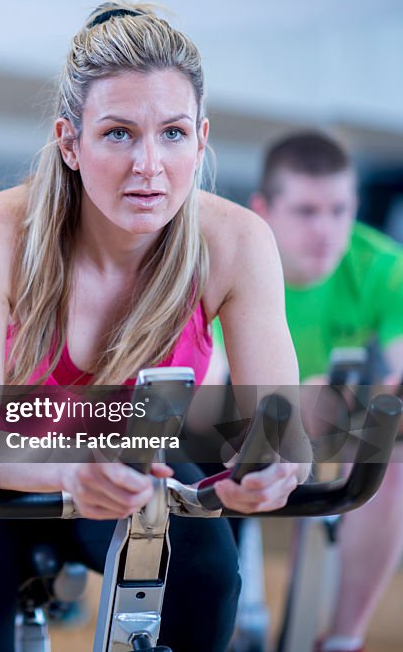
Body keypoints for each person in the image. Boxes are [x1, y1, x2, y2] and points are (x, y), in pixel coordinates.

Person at [0, 0, 313, 652]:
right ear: (70, 142)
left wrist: (273, 466)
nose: (149, 164)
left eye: (173, 133)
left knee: (206, 579)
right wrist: (66, 471)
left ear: (201, 139)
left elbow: (278, 425)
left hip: (134, 466)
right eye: (119, 133)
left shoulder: (237, 241)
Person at [212, 131, 403, 652]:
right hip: (237, 417)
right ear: (263, 210)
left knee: (392, 444)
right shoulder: (224, 261)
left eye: (340, 210)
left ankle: (342, 639)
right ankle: (237, 606)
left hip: (330, 415)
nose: (326, 230)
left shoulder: (382, 268)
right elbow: (205, 384)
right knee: (225, 419)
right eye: (306, 211)